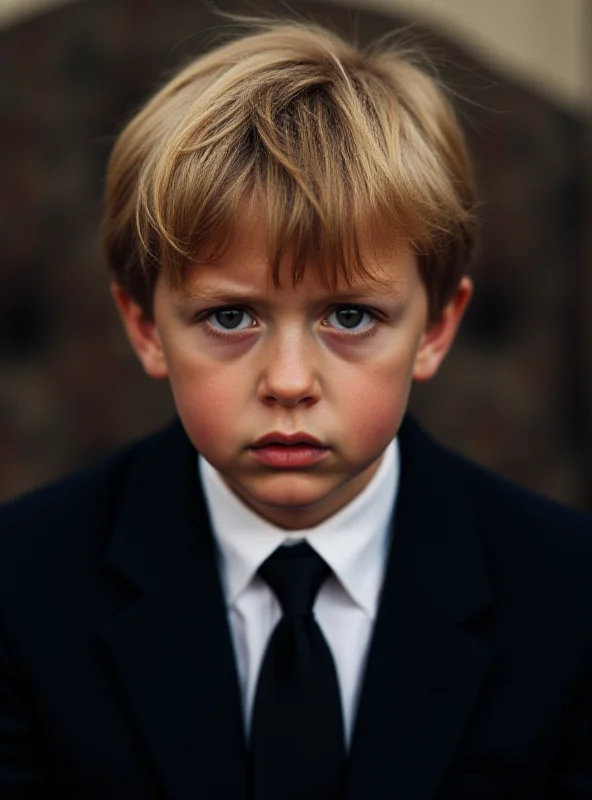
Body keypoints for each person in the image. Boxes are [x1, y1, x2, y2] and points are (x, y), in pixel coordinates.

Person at [1, 18, 591, 800]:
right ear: (145, 327)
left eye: (349, 317)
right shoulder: (21, 586)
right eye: (230, 317)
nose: (287, 381)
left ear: (436, 327)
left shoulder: (568, 595)